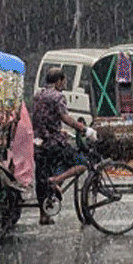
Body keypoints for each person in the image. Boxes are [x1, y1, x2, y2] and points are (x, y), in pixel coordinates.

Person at [32, 67, 97, 225]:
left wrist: (58, 130)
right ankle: (57, 180)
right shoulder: (57, 96)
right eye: (64, 81)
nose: (65, 85)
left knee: (42, 178)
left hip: (39, 143)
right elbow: (65, 117)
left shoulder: (38, 95)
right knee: (82, 163)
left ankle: (44, 215)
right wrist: (83, 128)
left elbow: (44, 118)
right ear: (59, 81)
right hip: (54, 143)